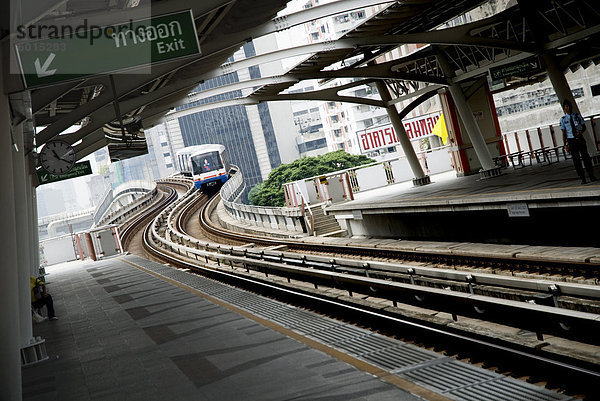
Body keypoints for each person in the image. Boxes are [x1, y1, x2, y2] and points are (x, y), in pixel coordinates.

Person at [560, 99, 597, 184]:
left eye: (569, 106)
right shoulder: (563, 119)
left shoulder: (577, 116)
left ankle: (591, 175)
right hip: (571, 140)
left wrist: (580, 132)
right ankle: (582, 177)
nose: (568, 108)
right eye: (566, 106)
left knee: (586, 157)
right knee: (576, 160)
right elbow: (564, 133)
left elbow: (584, 127)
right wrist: (565, 144)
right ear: (564, 108)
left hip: (579, 138)